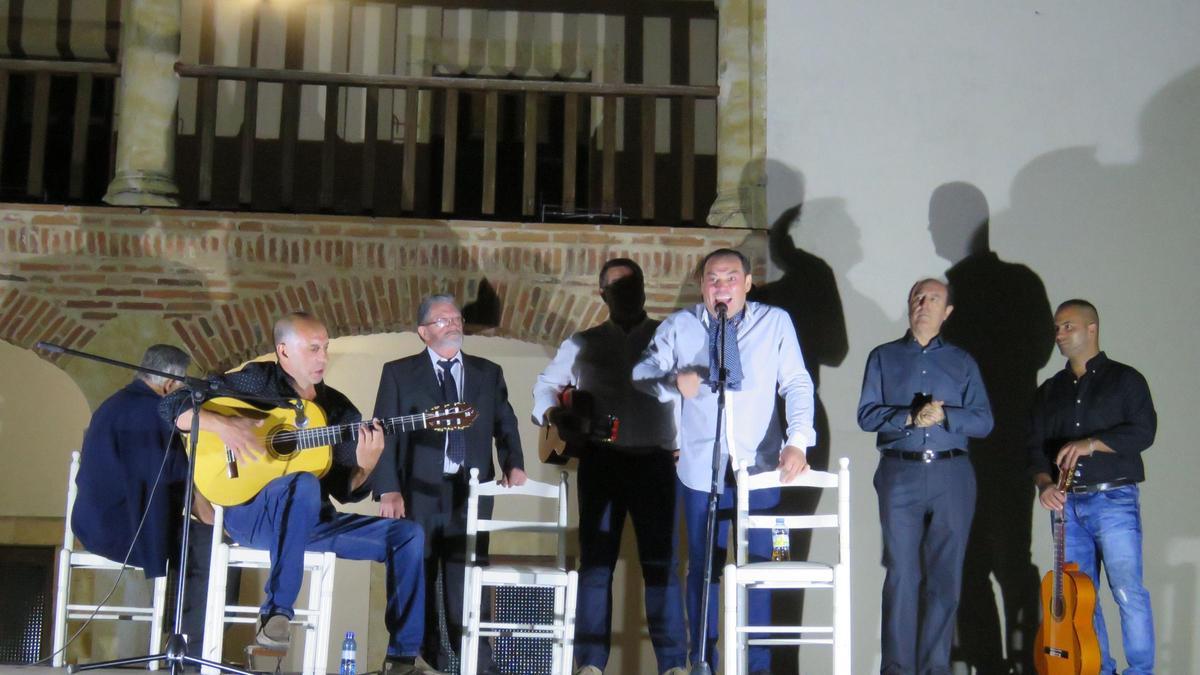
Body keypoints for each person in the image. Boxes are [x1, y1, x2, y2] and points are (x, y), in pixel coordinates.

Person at [161, 312, 438, 675]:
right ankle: (275, 616)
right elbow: (172, 406)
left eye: (325, 348)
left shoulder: (337, 409)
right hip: (253, 516)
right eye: (312, 348)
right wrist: (227, 427)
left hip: (312, 520)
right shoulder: (257, 381)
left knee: (407, 535)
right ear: (284, 351)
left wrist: (367, 466)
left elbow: (345, 489)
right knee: (303, 481)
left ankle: (402, 659)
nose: (323, 357)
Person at [633, 248, 815, 674]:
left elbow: (797, 383)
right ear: (702, 286)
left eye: (731, 278)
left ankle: (760, 666)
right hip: (701, 468)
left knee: (766, 565)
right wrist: (672, 382)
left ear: (747, 284)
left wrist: (798, 441)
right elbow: (642, 376)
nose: (722, 286)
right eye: (713, 279)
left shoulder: (775, 324)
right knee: (703, 567)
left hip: (763, 465)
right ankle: (703, 661)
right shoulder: (681, 326)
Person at [532, 258, 688, 675]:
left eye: (630, 285)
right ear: (602, 295)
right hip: (603, 462)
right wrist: (553, 415)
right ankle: (591, 664)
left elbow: (695, 392)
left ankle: (673, 665)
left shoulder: (667, 335)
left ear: (642, 287)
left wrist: (687, 442)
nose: (625, 294)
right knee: (596, 565)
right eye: (615, 288)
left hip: (657, 461)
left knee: (662, 563)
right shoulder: (584, 342)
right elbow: (545, 385)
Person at [372, 294, 525, 674]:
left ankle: (476, 662)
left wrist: (514, 463)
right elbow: (384, 432)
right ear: (423, 332)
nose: (453, 325)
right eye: (442, 321)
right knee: (415, 574)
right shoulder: (398, 373)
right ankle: (415, 657)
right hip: (417, 492)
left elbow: (505, 422)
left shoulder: (487, 373)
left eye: (457, 319)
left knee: (467, 578)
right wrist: (388, 488)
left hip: (470, 493)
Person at [857, 278, 994, 675]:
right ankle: (897, 669)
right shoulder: (883, 357)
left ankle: (936, 668)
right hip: (900, 471)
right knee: (901, 574)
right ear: (909, 304)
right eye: (918, 296)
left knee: (945, 575)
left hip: (952, 473)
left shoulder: (962, 361)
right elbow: (866, 414)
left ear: (947, 311)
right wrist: (907, 416)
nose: (924, 303)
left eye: (933, 298)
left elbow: (984, 420)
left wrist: (947, 415)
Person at [1028, 299, 1156, 675]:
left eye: (1068, 326)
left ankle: (1140, 672)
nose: (1060, 334)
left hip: (1114, 499)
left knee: (1127, 592)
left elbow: (1144, 431)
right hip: (1067, 508)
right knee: (1083, 600)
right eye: (1057, 328)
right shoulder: (1050, 390)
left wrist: (1091, 444)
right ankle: (1099, 669)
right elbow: (1035, 448)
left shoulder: (1126, 380)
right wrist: (1044, 484)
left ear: (1092, 328)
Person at [73, 344, 225, 657]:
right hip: (123, 528)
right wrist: (219, 523)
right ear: (170, 385)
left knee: (193, 537)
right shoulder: (154, 411)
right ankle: (191, 648)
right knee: (209, 545)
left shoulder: (113, 404)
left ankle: (177, 634)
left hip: (92, 522)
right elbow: (183, 483)